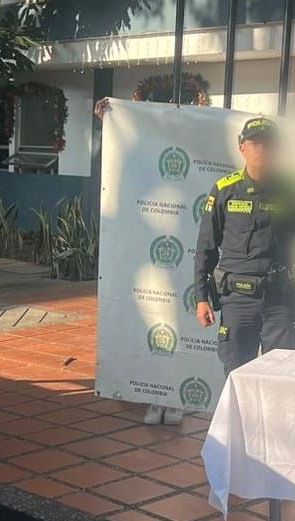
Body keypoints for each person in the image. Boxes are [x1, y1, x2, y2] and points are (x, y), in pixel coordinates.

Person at [95, 97, 185, 427]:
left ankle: (174, 399)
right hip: (145, 260)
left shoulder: (187, 160)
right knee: (150, 327)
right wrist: (111, 117)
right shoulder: (141, 165)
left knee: (178, 329)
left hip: (183, 261)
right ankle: (154, 395)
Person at [194, 117, 295, 372]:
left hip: (280, 301)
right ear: (242, 147)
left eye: (269, 144)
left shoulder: (291, 192)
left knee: (284, 375)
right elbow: (206, 249)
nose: (262, 149)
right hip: (237, 302)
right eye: (255, 143)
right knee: (237, 376)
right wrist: (201, 297)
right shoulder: (224, 191)